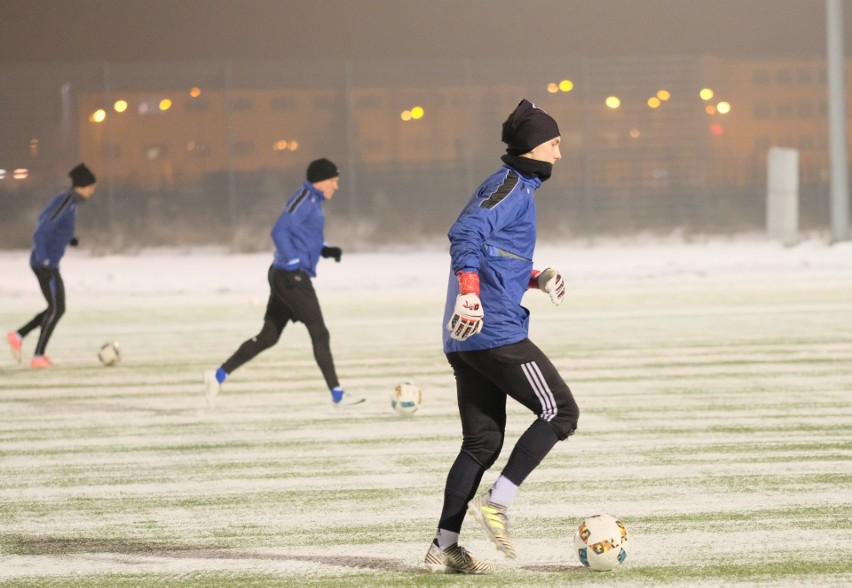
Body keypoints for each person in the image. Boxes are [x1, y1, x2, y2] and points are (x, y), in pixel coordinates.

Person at [424, 100, 580, 574]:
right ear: (534, 146)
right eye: (554, 144)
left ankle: (443, 547)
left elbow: (496, 254)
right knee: (560, 412)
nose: (559, 154)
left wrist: (537, 276)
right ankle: (498, 502)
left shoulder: (514, 187)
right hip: (491, 329)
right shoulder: (511, 186)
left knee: (481, 444)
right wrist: (469, 294)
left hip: (468, 338)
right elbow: (466, 234)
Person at [204, 158, 364, 408]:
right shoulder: (305, 200)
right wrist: (292, 263)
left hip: (286, 275)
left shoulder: (312, 201)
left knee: (268, 337)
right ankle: (338, 396)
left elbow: (302, 236)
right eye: (334, 181)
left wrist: (325, 251)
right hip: (290, 277)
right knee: (319, 332)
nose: (337, 186)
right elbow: (279, 231)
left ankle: (217, 376)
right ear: (321, 181)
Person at [6, 163, 97, 368]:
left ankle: (19, 336)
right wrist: (45, 261)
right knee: (57, 308)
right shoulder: (66, 201)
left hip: (48, 262)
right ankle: (37, 356)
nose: (93, 191)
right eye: (91, 186)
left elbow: (54, 226)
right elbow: (41, 230)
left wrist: (68, 238)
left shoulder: (71, 202)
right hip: (44, 264)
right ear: (82, 186)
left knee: (55, 308)